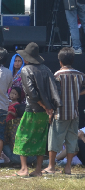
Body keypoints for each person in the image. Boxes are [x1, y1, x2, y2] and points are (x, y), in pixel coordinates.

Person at [14, 42, 61, 177]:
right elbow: (55, 88)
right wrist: (49, 107)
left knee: (22, 136)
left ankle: (24, 169)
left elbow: (32, 94)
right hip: (46, 112)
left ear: (27, 58)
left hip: (33, 109)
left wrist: (44, 105)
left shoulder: (26, 70)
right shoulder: (46, 69)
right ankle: (38, 169)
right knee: (41, 139)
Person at [45, 47, 84, 176]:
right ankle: (68, 167)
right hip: (74, 113)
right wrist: (77, 94)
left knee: (54, 139)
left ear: (60, 61)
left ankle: (51, 166)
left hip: (59, 113)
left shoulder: (57, 75)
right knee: (72, 140)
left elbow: (52, 95)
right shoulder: (80, 75)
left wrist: (50, 112)